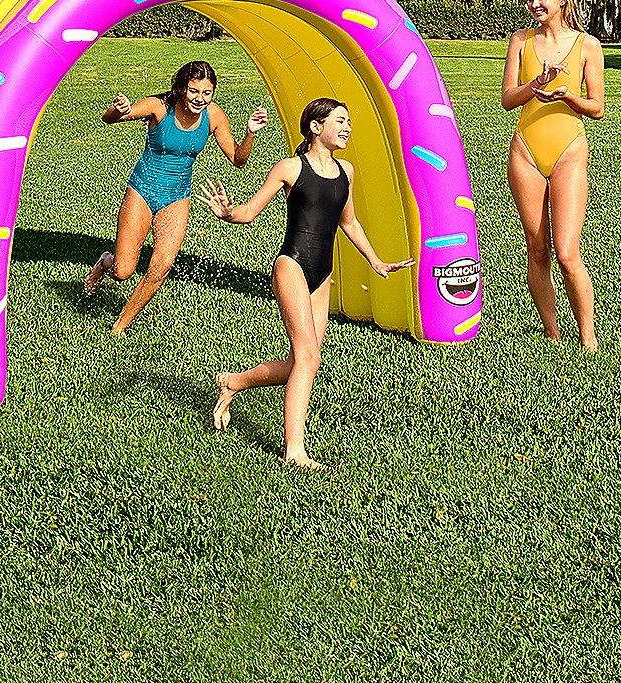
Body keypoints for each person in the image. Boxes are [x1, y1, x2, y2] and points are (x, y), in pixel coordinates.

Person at [198, 97, 415, 468]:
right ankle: (294, 450)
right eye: (339, 121)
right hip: (292, 266)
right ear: (316, 127)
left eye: (348, 121)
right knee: (309, 356)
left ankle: (233, 381)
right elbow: (249, 212)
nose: (347, 127)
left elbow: (348, 222)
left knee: (302, 361)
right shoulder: (290, 168)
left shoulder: (346, 171)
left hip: (322, 273)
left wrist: (375, 260)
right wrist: (228, 212)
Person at [85, 61, 268, 337]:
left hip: (177, 197)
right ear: (182, 88)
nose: (200, 98)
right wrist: (119, 110)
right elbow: (110, 119)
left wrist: (250, 133)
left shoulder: (214, 116)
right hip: (142, 191)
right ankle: (105, 263)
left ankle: (120, 326)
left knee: (161, 267)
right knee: (123, 271)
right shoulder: (159, 107)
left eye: (207, 92)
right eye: (194, 91)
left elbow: (238, 159)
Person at [502, 0, 606, 350]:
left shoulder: (587, 45)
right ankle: (552, 333)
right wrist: (536, 84)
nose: (534, 4)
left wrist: (568, 97)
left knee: (566, 252)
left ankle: (587, 337)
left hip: (568, 152)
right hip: (525, 152)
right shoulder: (520, 41)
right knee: (537, 248)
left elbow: (597, 108)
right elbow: (508, 99)